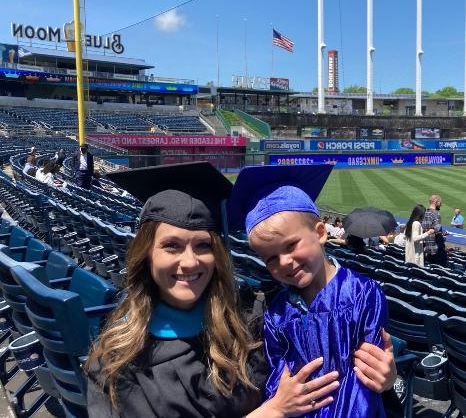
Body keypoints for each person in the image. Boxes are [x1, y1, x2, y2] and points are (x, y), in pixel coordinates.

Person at [86, 162, 395, 417]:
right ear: (147, 255)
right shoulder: (115, 361)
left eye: (204, 245)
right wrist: (269, 412)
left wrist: (387, 379)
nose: (190, 262)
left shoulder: (250, 319)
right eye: (171, 246)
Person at [229, 163, 396, 417]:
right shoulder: (276, 315)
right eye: (270, 258)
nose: (284, 262)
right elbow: (278, 379)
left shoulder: (363, 294)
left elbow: (370, 375)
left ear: (320, 233)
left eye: (291, 245)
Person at [422, 195, 447, 266]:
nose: (441, 205)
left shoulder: (424, 212)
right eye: (440, 203)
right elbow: (437, 229)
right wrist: (444, 235)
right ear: (436, 202)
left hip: (427, 247)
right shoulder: (436, 213)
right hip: (436, 248)